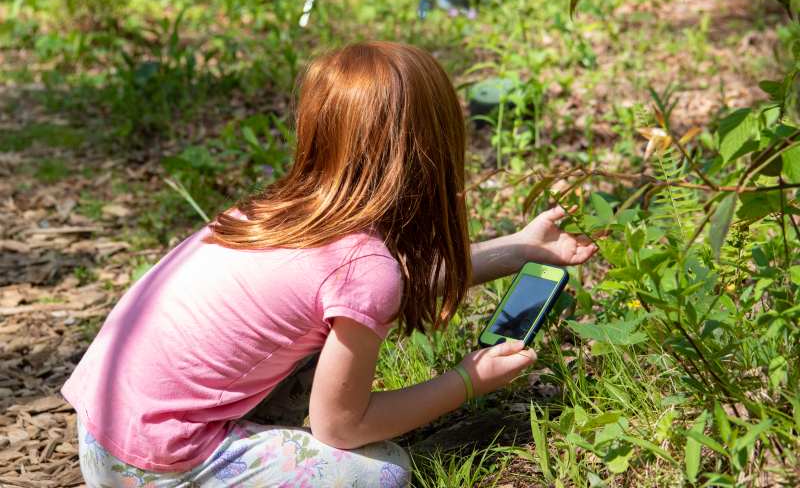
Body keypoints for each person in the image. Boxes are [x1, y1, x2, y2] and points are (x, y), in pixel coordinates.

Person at [62, 41, 600, 488]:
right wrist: (467, 380)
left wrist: (524, 247)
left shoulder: (280, 212)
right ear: (431, 149)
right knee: (383, 472)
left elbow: (386, 287)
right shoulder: (363, 268)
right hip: (154, 464)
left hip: (105, 428)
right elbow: (341, 427)